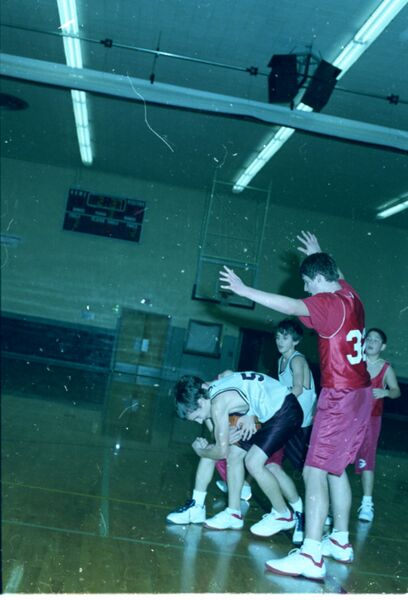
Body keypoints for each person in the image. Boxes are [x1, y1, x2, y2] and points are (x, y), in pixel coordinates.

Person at [219, 231, 372, 580]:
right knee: (336, 470)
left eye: (306, 282)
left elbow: (289, 306)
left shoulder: (327, 303)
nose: (305, 289)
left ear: (318, 279)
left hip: (341, 395)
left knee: (313, 471)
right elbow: (336, 274)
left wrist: (244, 290)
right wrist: (321, 253)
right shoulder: (351, 295)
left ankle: (311, 554)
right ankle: (341, 540)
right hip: (361, 394)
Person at [214, 319, 317, 544]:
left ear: (296, 340)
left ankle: (302, 514)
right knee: (269, 465)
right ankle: (293, 511)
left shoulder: (297, 359)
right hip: (285, 417)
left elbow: (297, 389)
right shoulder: (281, 360)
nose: (280, 341)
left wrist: (266, 409)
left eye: (285, 337)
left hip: (297, 422)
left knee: (293, 470)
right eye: (278, 336)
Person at [166, 370, 305, 535]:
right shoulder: (211, 389)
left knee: (254, 463)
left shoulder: (217, 405)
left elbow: (220, 452)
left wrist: (200, 451)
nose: (200, 421)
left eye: (197, 417)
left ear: (201, 402)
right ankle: (233, 513)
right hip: (266, 412)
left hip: (284, 411)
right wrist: (249, 412)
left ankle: (283, 515)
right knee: (234, 454)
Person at [354, 327, 400, 522]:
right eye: (369, 338)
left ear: (383, 346)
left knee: (367, 461)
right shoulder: (356, 362)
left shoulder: (386, 368)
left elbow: (396, 391)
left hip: (371, 419)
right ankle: (332, 504)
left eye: (376, 340)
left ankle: (367, 504)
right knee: (338, 460)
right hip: (350, 418)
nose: (371, 342)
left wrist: (386, 392)